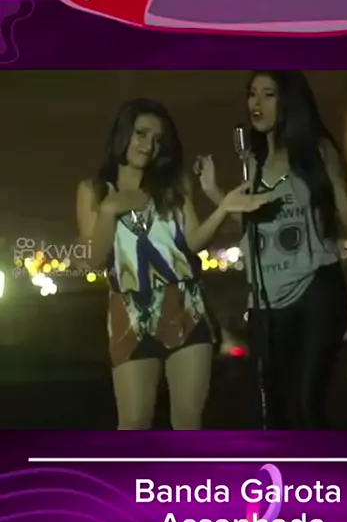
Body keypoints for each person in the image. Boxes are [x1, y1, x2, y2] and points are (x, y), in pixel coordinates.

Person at [196, 71, 347, 429]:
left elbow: (346, 209)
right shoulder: (254, 160)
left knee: (306, 405)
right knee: (273, 412)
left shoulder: (318, 151)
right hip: (267, 297)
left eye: (268, 94)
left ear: (289, 102)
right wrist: (215, 192)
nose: (256, 103)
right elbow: (253, 222)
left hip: (316, 288)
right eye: (252, 94)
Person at [76, 97, 269, 430]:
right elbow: (91, 261)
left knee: (188, 423)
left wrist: (224, 208)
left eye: (157, 139)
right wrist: (109, 210)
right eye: (141, 133)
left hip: (186, 309)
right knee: (134, 422)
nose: (148, 145)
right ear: (123, 133)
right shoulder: (93, 190)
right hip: (130, 316)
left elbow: (192, 243)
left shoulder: (172, 184)